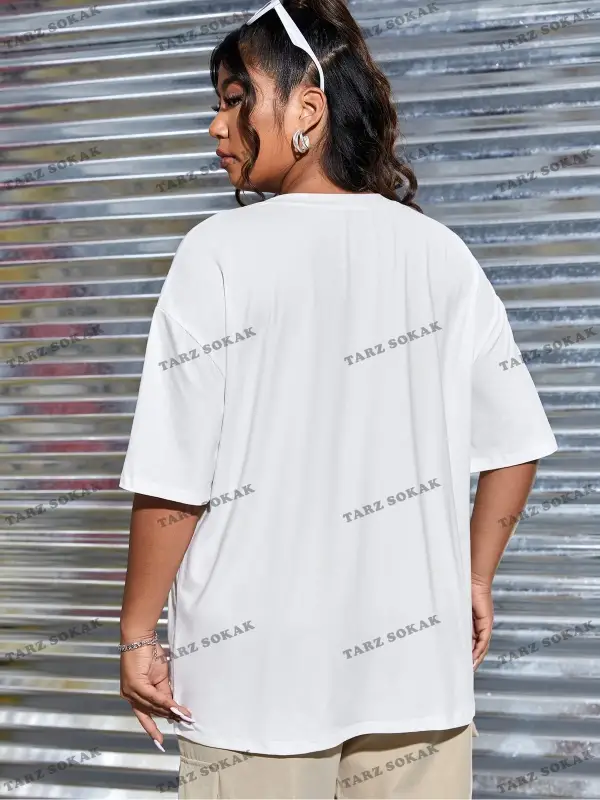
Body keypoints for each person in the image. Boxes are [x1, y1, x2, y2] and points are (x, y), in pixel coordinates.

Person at [117, 0, 558, 797]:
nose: (217, 126)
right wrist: (472, 580)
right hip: (417, 674)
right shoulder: (441, 254)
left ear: (307, 110)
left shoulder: (216, 253)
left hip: (255, 680)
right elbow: (517, 445)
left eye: (236, 100)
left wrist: (137, 632)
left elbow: (176, 477)